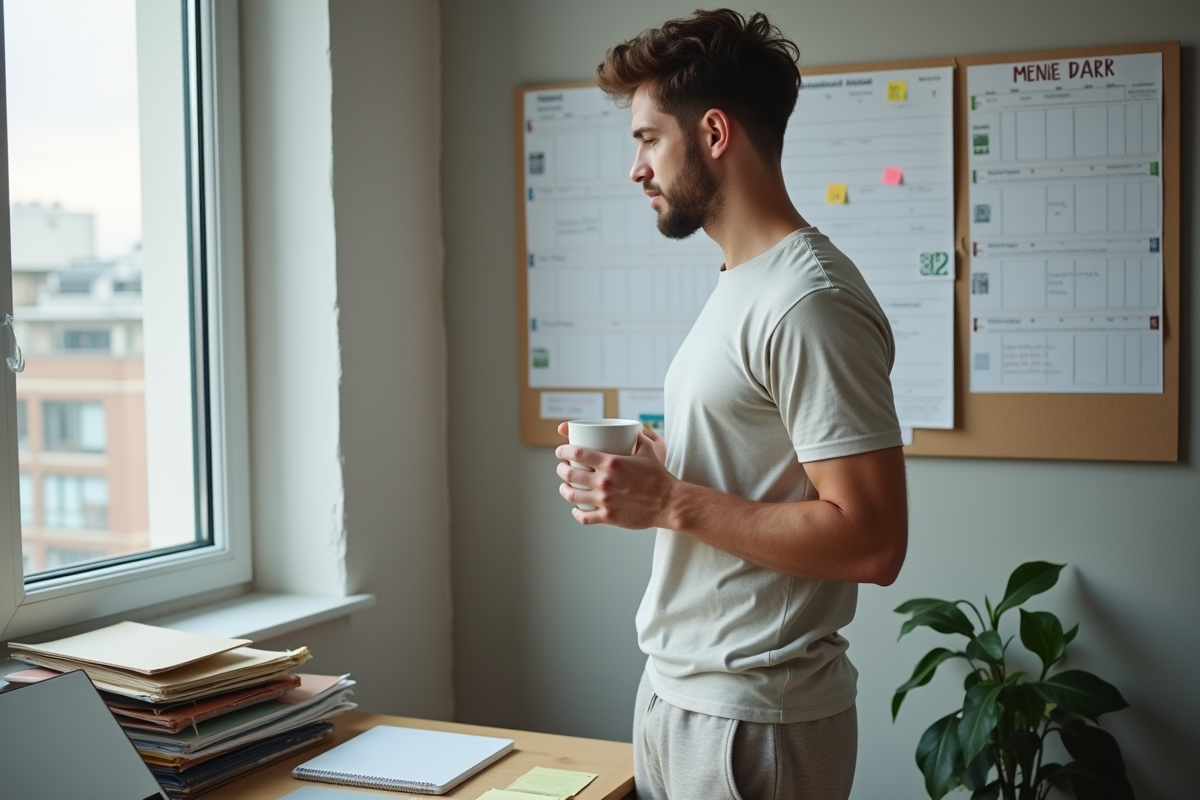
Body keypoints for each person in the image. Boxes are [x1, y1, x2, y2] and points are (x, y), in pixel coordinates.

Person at [554, 8, 908, 800]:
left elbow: (873, 542)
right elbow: (752, 479)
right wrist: (653, 480)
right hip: (680, 696)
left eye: (648, 138)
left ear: (713, 132)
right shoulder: (740, 284)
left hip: (756, 721)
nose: (636, 169)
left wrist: (672, 500)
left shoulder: (810, 302)